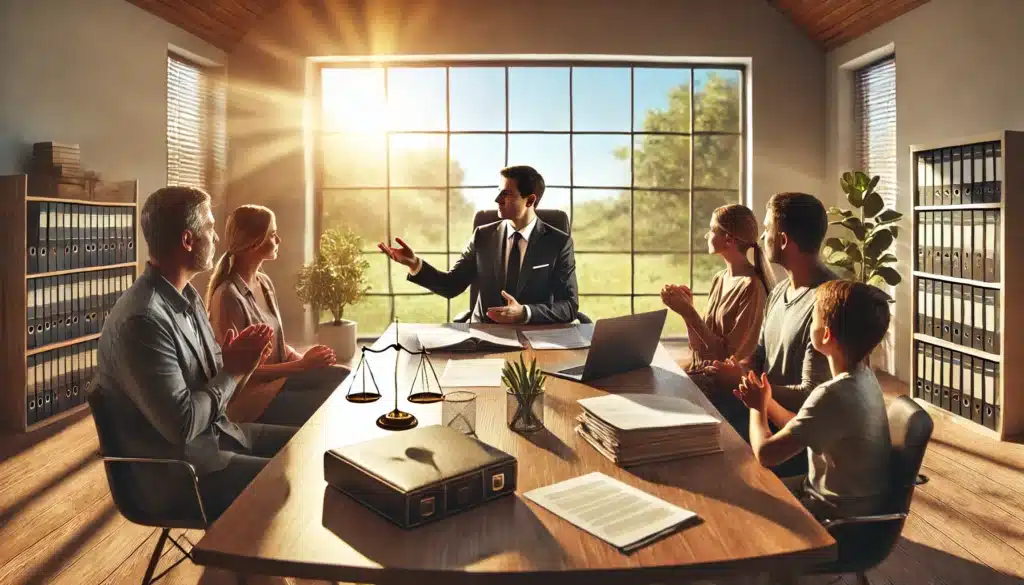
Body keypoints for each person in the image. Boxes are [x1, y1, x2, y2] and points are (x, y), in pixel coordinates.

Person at [92, 186, 295, 521]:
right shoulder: (142, 321)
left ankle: (236, 567)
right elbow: (183, 425)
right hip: (181, 474)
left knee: (310, 452)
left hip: (220, 439)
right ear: (188, 240)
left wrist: (243, 365)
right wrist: (230, 371)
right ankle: (244, 567)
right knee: (286, 485)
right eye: (211, 229)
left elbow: (221, 399)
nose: (217, 238)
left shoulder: (188, 298)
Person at [733, 280, 893, 521]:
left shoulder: (832, 394)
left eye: (814, 317)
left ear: (826, 335)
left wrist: (756, 408)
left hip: (832, 515)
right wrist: (766, 400)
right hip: (851, 503)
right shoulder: (864, 378)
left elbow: (766, 454)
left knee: (738, 492)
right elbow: (803, 423)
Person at [703, 192, 837, 475]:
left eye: (767, 230)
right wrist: (737, 369)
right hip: (760, 414)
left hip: (791, 443)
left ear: (785, 240)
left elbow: (811, 397)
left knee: (699, 449)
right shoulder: (778, 292)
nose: (762, 239)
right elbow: (760, 356)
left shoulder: (829, 302)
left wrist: (747, 385)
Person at [378, 165, 579, 324]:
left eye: (506, 194)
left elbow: (569, 306)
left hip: (536, 339)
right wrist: (414, 263)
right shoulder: (482, 236)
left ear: (530, 200)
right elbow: (451, 286)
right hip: (484, 334)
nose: (497, 200)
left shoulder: (559, 242)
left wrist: (524, 312)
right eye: (499, 192)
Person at [206, 205, 348, 427]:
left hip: (278, 383)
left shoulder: (264, 283)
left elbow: (277, 345)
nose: (279, 239)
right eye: (272, 234)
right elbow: (236, 371)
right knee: (330, 402)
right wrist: (302, 367)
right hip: (253, 401)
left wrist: (306, 360)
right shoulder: (227, 296)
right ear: (254, 242)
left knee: (342, 376)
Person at [660, 204, 773, 390]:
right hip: (701, 373)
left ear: (728, 239)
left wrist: (689, 312)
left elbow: (725, 359)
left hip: (724, 387)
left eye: (712, 230)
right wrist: (686, 310)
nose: (707, 235)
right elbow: (699, 349)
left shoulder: (751, 287)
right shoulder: (719, 278)